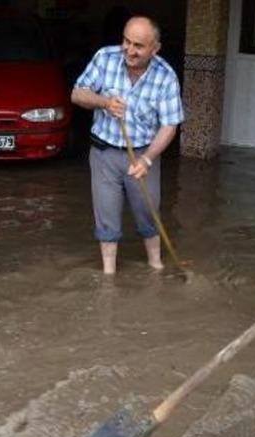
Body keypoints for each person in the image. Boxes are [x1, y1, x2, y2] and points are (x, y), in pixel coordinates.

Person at [71, 15, 184, 275]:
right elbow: (77, 93)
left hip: (143, 154)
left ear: (155, 48)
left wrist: (148, 159)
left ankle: (156, 265)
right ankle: (108, 274)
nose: (129, 50)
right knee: (107, 214)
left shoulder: (165, 76)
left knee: (148, 210)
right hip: (104, 152)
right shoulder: (105, 57)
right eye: (126, 41)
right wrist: (104, 102)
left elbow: (170, 125)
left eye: (138, 46)